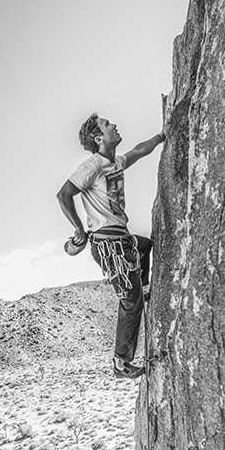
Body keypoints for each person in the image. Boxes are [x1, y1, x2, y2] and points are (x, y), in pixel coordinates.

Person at [56, 113, 165, 379]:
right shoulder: (92, 165)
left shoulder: (114, 162)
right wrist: (79, 229)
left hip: (121, 240)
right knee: (130, 301)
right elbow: (64, 194)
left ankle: (145, 288)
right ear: (98, 137)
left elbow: (139, 151)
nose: (114, 125)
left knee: (144, 245)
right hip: (108, 244)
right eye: (107, 125)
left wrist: (162, 136)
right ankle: (121, 363)